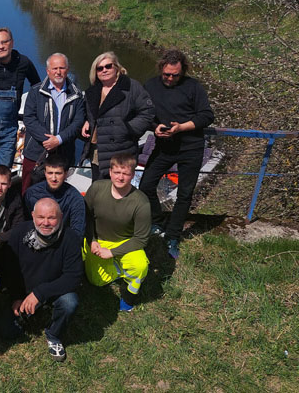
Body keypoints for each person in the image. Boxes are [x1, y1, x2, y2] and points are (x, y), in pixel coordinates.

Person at [139, 50, 214, 259]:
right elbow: (145, 113)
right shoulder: (151, 86)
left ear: (182, 72)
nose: (170, 78)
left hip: (191, 147)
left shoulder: (193, 87)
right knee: (145, 185)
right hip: (164, 147)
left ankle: (172, 236)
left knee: (184, 194)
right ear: (161, 69)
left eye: (175, 75)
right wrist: (154, 127)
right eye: (167, 75)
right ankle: (157, 221)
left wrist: (182, 127)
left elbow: (207, 115)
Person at [0, 198, 82, 361]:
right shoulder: (20, 232)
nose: (46, 223)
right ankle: (27, 315)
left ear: (61, 217)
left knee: (70, 302)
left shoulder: (70, 238)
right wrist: (16, 296)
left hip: (53, 291)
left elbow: (73, 277)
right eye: (41, 217)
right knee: (8, 332)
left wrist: (40, 294)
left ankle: (54, 335)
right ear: (33, 216)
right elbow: (9, 269)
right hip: (23, 291)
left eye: (51, 218)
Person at [0, 28, 41, 187]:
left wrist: (32, 112)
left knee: (3, 174)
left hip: (10, 130)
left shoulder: (23, 62)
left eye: (4, 42)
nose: (1, 46)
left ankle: (1, 207)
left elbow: (37, 87)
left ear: (12, 43)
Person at [83, 153, 150, 312]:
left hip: (124, 242)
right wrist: (91, 239)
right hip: (97, 240)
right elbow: (85, 216)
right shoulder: (97, 188)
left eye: (125, 173)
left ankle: (128, 297)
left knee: (141, 266)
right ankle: (118, 269)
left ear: (132, 174)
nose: (120, 177)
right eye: (117, 172)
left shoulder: (141, 202)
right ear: (110, 172)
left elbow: (141, 239)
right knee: (96, 281)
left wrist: (112, 252)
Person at [81, 51, 155, 180]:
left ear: (117, 67)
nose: (104, 70)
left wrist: (128, 128)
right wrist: (87, 121)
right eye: (99, 68)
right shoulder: (92, 90)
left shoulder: (131, 87)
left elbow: (147, 112)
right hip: (97, 151)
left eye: (108, 66)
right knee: (99, 191)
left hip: (121, 149)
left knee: (118, 190)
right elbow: (91, 114)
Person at [21, 53, 85, 192]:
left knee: (58, 193)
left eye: (62, 68)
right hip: (36, 152)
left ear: (67, 70)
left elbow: (78, 122)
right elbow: (29, 118)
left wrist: (59, 139)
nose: (58, 72)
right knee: (29, 190)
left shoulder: (77, 95)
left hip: (63, 153)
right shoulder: (35, 91)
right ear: (47, 71)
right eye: (54, 68)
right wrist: (47, 140)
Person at [24, 153, 85, 236]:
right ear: (45, 173)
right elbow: (25, 223)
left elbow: (77, 232)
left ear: (66, 174)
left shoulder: (75, 199)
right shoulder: (31, 193)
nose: (54, 178)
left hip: (63, 242)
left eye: (58, 173)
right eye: (50, 173)